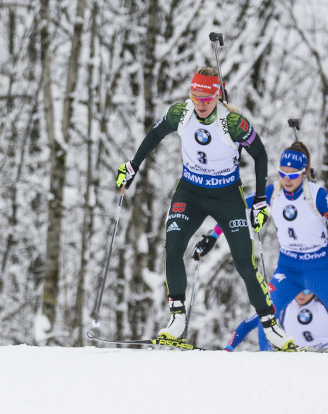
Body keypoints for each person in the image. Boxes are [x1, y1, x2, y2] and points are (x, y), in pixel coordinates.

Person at [115, 67, 295, 349]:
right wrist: (132, 166)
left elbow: (260, 154)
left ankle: (271, 325)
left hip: (226, 195)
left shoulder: (233, 122)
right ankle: (176, 318)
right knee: (172, 245)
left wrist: (260, 200)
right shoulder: (181, 113)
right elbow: (154, 135)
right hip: (191, 191)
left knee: (244, 263)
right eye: (195, 96)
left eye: (207, 99)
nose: (200, 104)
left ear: (217, 96)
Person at [195, 141, 328, 350]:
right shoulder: (273, 193)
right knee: (266, 318)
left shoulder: (319, 196)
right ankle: (270, 374)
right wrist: (212, 237)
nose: (287, 179)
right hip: (288, 270)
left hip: (320, 270)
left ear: (304, 173)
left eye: (293, 175)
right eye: (282, 173)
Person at [223, 290, 328, 351]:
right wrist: (229, 348)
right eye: (298, 289)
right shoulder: (283, 305)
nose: (302, 294)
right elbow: (247, 325)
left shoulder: (326, 303)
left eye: (307, 291)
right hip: (299, 356)